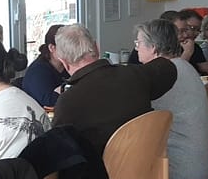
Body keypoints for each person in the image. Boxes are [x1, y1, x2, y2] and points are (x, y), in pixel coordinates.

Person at [52, 23, 177, 161]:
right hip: (147, 168)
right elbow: (167, 67)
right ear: (96, 47)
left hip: (103, 173)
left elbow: (59, 154)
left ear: (63, 61)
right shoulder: (135, 75)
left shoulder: (68, 102)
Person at [135, 19, 208, 179]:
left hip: (182, 170)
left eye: (139, 42)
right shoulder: (185, 66)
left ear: (153, 47)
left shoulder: (160, 74)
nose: (136, 48)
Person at [21, 24, 68, 106]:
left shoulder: (68, 66)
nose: (72, 49)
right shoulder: (37, 72)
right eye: (66, 46)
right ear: (52, 48)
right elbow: (50, 102)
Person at [174, 9, 208, 76]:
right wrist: (188, 52)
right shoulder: (170, 48)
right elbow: (175, 72)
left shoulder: (196, 47)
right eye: (192, 28)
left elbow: (204, 75)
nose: (196, 33)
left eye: (198, 30)